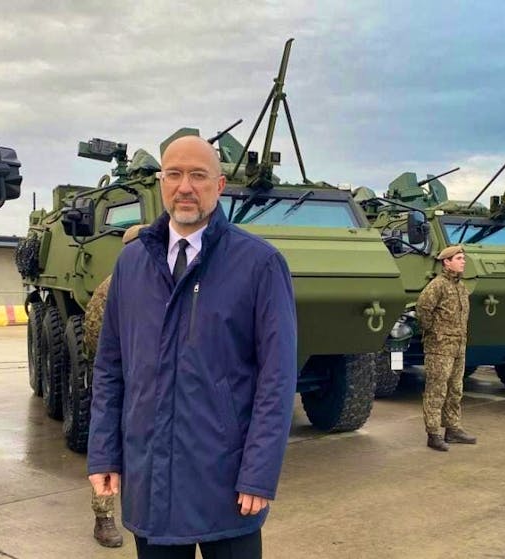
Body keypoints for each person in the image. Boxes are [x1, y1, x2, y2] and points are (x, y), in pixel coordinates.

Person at [87, 135, 297, 559]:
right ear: (161, 182)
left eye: (198, 175)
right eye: (175, 174)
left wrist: (258, 473)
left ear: (218, 186)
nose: (185, 187)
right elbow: (110, 367)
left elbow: (277, 379)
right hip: (152, 482)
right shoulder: (132, 264)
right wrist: (104, 453)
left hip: (226, 482)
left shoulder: (259, 264)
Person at [82, 224, 145, 548]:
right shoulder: (114, 285)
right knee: (109, 446)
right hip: (117, 381)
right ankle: (103, 517)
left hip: (141, 381)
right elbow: (97, 339)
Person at [416, 245, 476, 452]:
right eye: (459, 258)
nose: (463, 261)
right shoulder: (438, 285)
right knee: (437, 390)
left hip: (458, 346)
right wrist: (435, 332)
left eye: (463, 258)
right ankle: (433, 434)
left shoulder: (460, 287)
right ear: (446, 262)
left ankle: (453, 428)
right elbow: (423, 309)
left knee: (455, 389)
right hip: (440, 348)